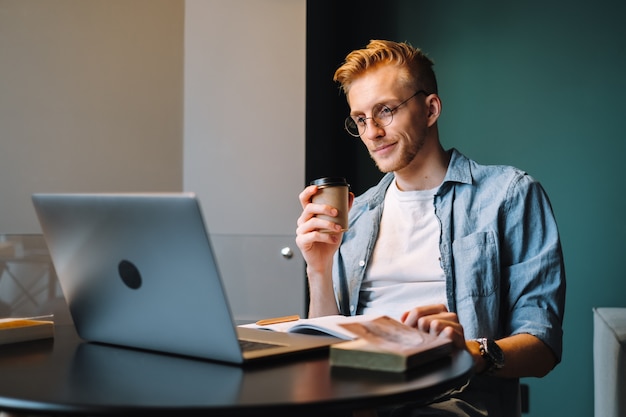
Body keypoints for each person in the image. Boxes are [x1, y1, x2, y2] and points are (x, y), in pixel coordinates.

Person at [295, 39, 566, 417]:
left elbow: (543, 347)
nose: (371, 131)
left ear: (430, 109)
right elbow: (327, 348)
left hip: (456, 401)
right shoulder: (355, 213)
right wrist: (319, 268)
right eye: (360, 119)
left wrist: (469, 352)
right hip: (359, 400)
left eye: (385, 111)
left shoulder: (510, 195)